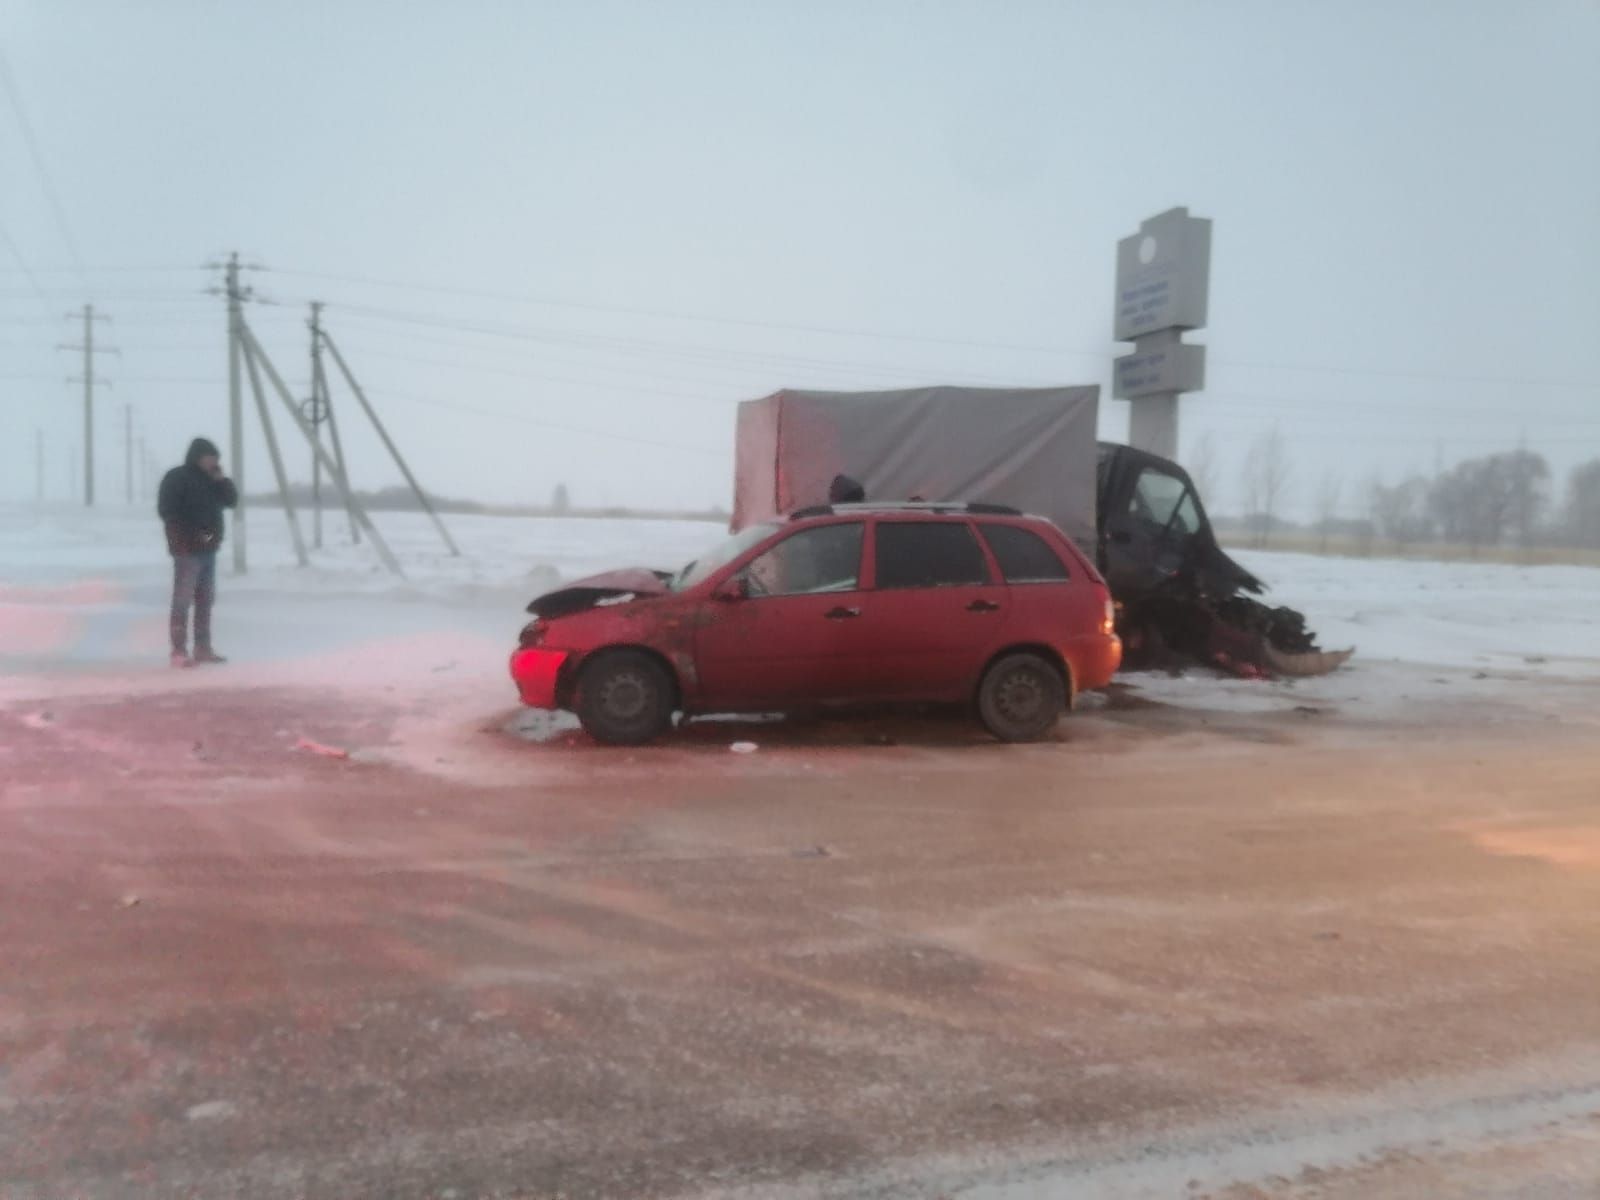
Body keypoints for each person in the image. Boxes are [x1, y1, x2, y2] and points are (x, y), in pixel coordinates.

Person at [157, 437, 237, 667]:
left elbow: (231, 501)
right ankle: (179, 651)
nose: (213, 462)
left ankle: (203, 647)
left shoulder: (213, 481)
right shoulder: (177, 478)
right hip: (186, 550)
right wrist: (180, 541)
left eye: (216, 459)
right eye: (210, 457)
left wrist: (221, 480)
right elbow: (168, 512)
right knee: (182, 601)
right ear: (198, 456)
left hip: (208, 547)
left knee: (205, 600)